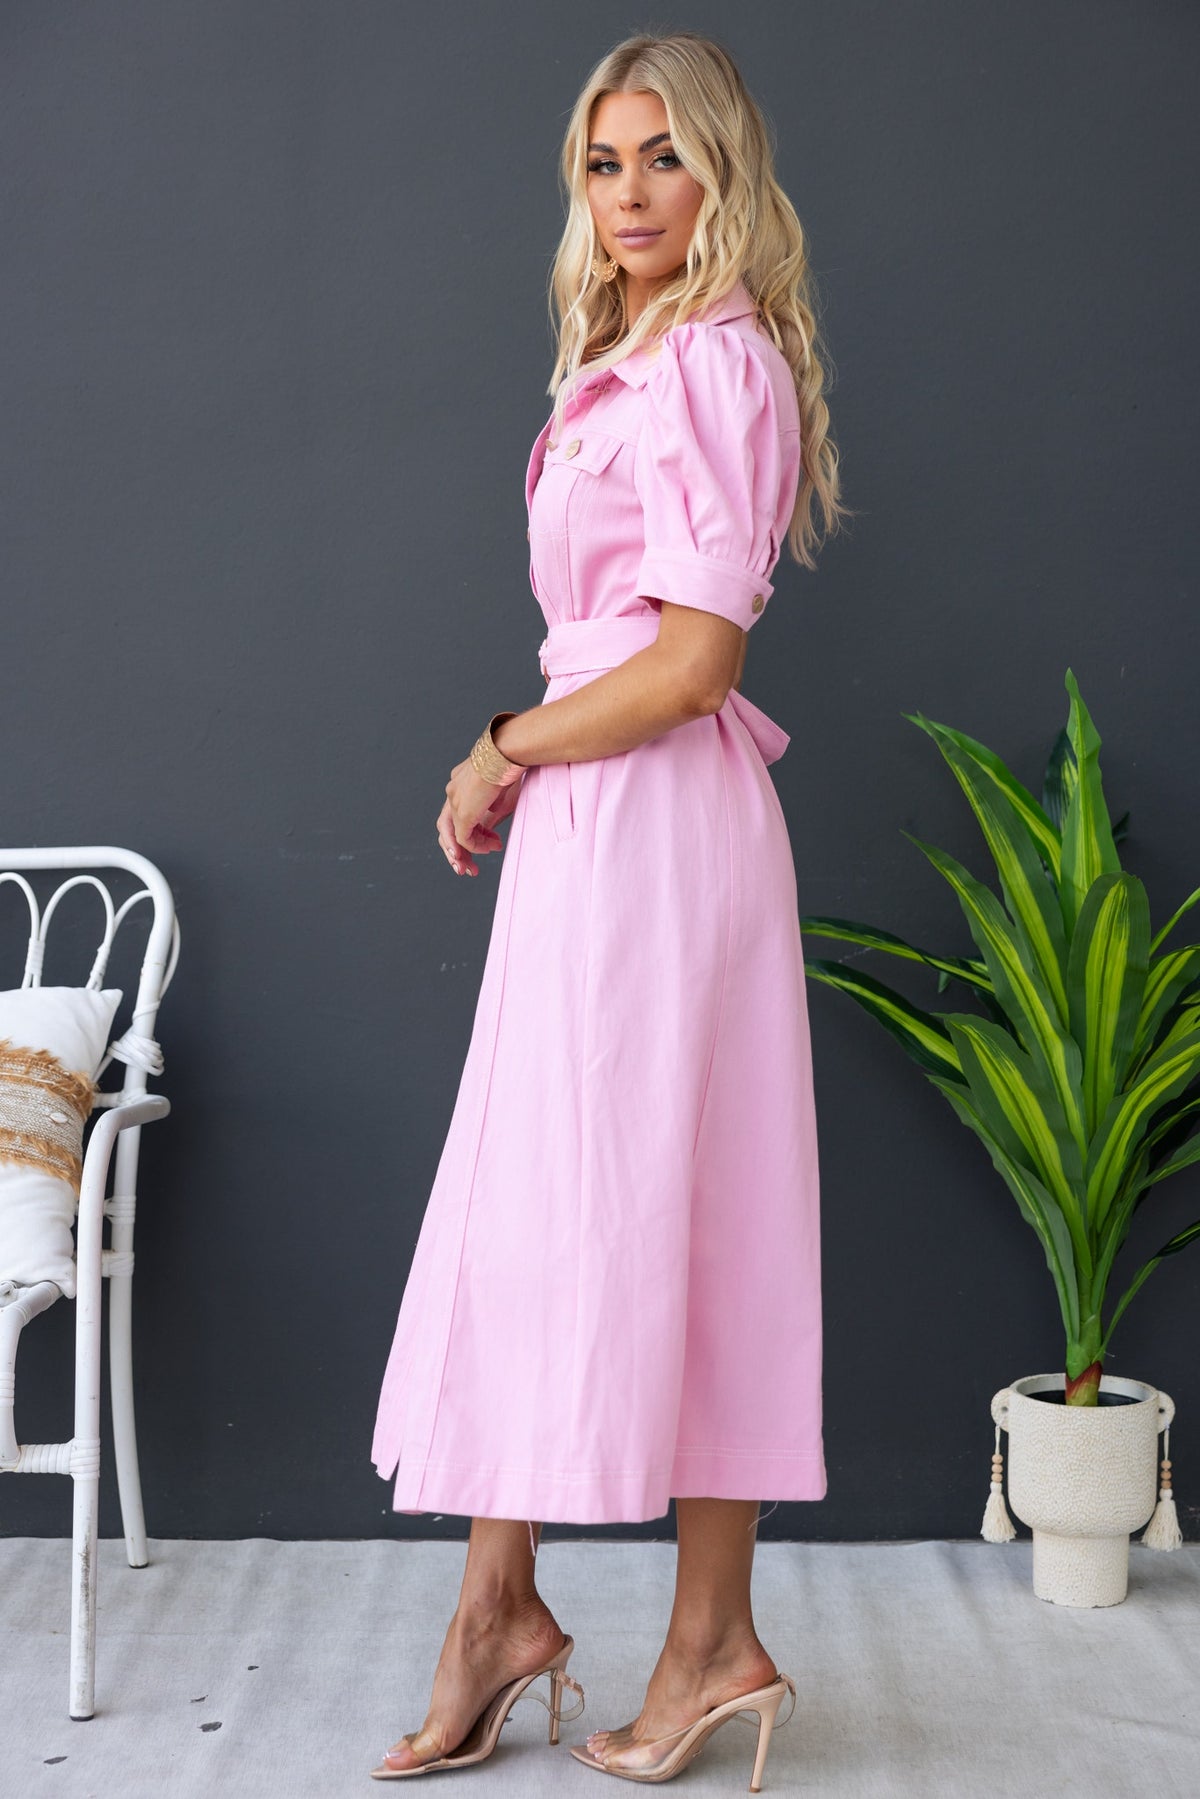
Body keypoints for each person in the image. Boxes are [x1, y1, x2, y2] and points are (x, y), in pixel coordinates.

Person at [369, 28, 849, 1787]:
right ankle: (500, 1602)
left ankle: (712, 1640)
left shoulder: (719, 364)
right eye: (603, 162)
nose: (631, 193)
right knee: (541, 1193)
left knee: (682, 1201)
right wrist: (529, 764)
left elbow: (694, 661)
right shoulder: (623, 352)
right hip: (603, 830)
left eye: (664, 158)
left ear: (721, 172)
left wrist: (499, 746)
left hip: (658, 829)